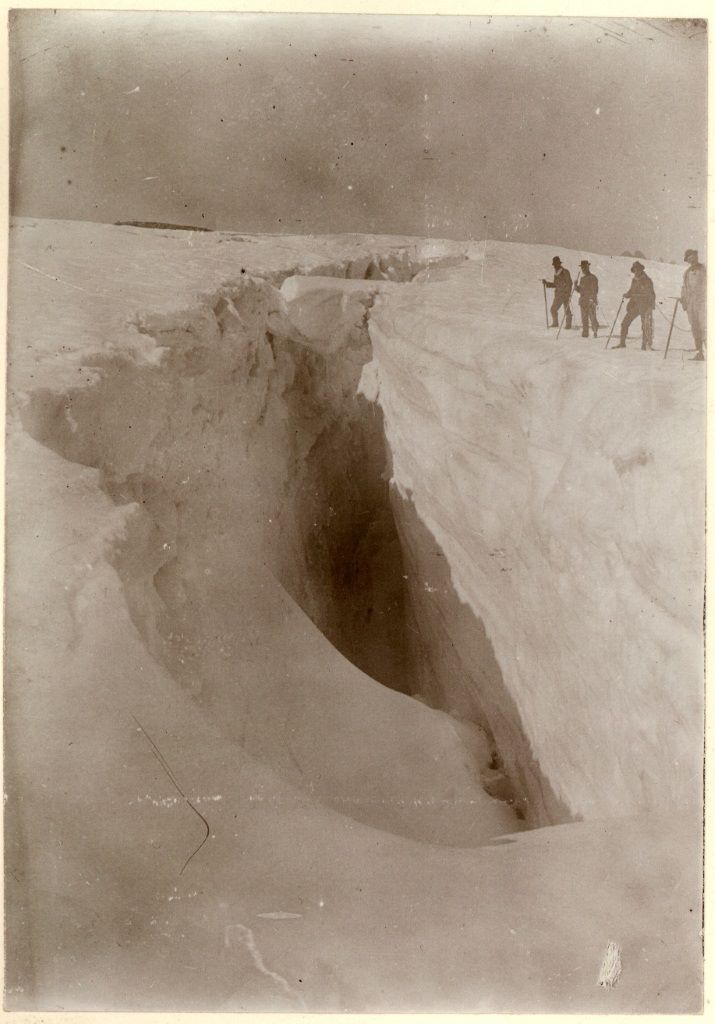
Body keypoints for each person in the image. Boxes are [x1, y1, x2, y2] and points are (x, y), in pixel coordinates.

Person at [613, 261, 655, 350]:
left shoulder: (647, 280)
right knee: (625, 323)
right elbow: (631, 291)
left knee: (645, 326)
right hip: (634, 305)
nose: (636, 271)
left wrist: (650, 306)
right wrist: (627, 294)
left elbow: (651, 294)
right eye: (635, 270)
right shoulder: (634, 280)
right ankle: (622, 343)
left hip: (645, 306)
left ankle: (645, 345)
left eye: (638, 269)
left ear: (641, 270)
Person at [681, 249, 706, 361]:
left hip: (703, 304)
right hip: (691, 305)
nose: (693, 260)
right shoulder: (686, 273)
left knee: (705, 328)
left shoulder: (704, 270)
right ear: (688, 260)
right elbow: (684, 288)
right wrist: (683, 299)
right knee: (695, 329)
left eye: (694, 257)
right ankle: (700, 353)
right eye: (690, 258)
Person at [542, 256, 573, 329]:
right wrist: (547, 283)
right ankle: (555, 323)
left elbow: (569, 283)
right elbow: (555, 284)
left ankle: (568, 324)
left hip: (565, 294)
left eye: (556, 264)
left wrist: (568, 293)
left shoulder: (565, 272)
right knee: (553, 309)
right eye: (554, 265)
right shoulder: (556, 273)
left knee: (566, 310)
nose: (555, 266)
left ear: (559, 264)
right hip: (558, 295)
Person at [574, 260, 599, 337]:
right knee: (584, 318)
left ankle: (595, 332)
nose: (583, 269)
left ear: (588, 267)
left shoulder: (593, 277)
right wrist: (575, 286)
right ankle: (585, 333)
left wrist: (592, 299)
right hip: (583, 301)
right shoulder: (582, 278)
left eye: (584, 267)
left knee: (592, 318)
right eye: (582, 267)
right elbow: (580, 290)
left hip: (590, 301)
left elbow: (595, 290)